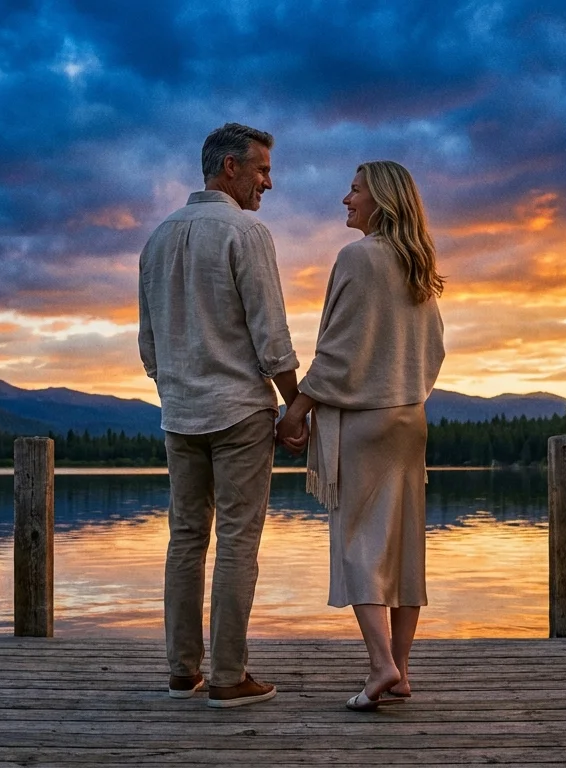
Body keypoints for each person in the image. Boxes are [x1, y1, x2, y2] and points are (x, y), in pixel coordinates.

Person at [138, 123, 301, 708]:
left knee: (185, 538)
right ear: (229, 168)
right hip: (238, 414)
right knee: (236, 540)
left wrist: (178, 388)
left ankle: (183, 671)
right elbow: (271, 333)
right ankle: (229, 677)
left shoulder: (156, 240)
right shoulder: (245, 231)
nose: (269, 182)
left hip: (179, 415)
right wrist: (293, 403)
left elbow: (148, 346)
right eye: (261, 169)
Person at [279, 160, 446, 711]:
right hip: (409, 418)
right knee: (402, 546)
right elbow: (436, 350)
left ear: (380, 200)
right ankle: (401, 670)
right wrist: (406, 387)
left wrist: (296, 410)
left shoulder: (358, 258)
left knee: (357, 544)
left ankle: (380, 666)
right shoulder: (417, 263)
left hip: (365, 421)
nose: (345, 200)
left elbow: (339, 351)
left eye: (354, 191)